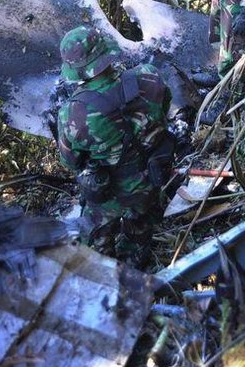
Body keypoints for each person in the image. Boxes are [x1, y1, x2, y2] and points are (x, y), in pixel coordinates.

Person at [54, 25, 174, 266]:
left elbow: (71, 161)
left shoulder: (72, 113)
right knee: (140, 232)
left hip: (109, 193)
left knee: (96, 249)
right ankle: (135, 261)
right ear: (106, 53)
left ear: (75, 70)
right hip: (151, 181)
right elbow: (165, 108)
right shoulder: (149, 75)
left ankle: (109, 275)